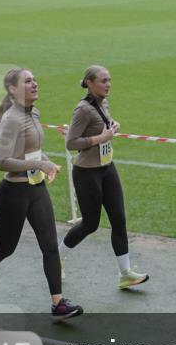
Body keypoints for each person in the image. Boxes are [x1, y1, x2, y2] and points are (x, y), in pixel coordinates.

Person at [0, 68, 83, 320]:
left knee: (50, 246)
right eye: (28, 81)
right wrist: (40, 164)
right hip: (13, 192)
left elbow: (33, 150)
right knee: (6, 247)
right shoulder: (11, 120)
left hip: (36, 189)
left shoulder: (34, 113)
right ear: (13, 89)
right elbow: (3, 162)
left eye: (34, 80)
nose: (34, 84)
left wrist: (47, 162)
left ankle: (58, 303)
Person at [60, 65, 147, 289]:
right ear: (89, 83)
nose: (108, 85)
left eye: (109, 80)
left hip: (107, 168)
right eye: (103, 81)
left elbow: (101, 127)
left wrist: (112, 126)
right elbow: (72, 142)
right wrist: (102, 137)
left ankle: (125, 274)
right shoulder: (82, 110)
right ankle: (56, 257)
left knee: (119, 219)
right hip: (87, 173)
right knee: (90, 224)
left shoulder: (103, 103)